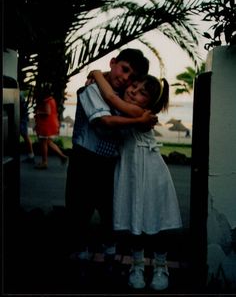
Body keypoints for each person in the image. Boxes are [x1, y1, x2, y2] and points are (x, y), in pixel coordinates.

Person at [88, 70, 182, 291]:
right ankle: (137, 265)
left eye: (142, 93)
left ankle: (161, 266)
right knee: (135, 220)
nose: (133, 91)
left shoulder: (140, 113)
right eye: (135, 86)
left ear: (149, 104)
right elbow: (111, 100)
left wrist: (96, 74)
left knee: (156, 221)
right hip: (130, 172)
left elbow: (111, 98)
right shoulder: (129, 109)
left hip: (149, 172)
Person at [65, 48, 155, 270]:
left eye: (132, 77)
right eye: (124, 70)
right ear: (113, 62)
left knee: (110, 212)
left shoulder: (123, 97)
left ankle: (109, 256)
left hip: (110, 163)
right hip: (84, 160)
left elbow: (129, 108)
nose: (125, 78)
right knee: (79, 211)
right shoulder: (90, 90)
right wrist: (139, 120)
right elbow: (103, 121)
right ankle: (80, 257)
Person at [34, 87, 68, 169]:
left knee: (44, 143)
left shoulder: (47, 101)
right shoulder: (52, 100)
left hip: (46, 125)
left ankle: (44, 162)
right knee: (49, 142)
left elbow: (47, 112)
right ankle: (63, 156)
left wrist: (38, 112)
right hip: (51, 124)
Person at [20, 91, 35, 163]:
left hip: (21, 117)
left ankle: (31, 155)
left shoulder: (19, 94)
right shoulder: (20, 94)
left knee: (25, 135)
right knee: (25, 136)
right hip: (22, 116)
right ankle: (30, 155)